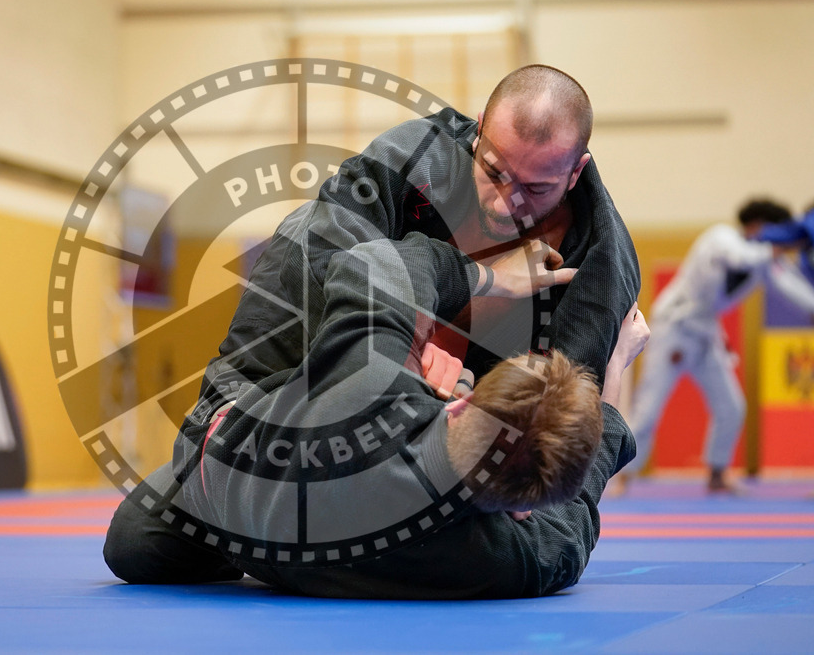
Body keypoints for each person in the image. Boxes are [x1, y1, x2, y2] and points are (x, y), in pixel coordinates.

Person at [104, 64, 642, 596]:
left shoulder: (597, 273)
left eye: (535, 188)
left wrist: (440, 322)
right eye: (494, 171)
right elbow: (563, 524)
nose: (506, 202)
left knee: (141, 535)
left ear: (575, 173)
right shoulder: (509, 561)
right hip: (339, 418)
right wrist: (608, 408)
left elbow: (374, 273)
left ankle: (282, 537)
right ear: (478, 129)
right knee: (135, 540)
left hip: (276, 447)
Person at [166, 234, 648, 599]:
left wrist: (492, 278)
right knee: (127, 552)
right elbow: (576, 515)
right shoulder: (510, 560)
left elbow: (379, 262)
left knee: (314, 233)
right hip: (237, 530)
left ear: (460, 406)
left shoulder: (375, 388)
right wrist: (614, 373)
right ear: (521, 510)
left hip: (221, 446)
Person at [618, 198, 814, 494]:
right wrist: (774, 246)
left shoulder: (764, 260)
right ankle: (624, 477)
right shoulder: (722, 237)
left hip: (707, 335)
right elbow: (740, 257)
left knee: (731, 406)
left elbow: (790, 287)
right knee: (649, 408)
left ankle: (717, 475)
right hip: (674, 328)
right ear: (759, 227)